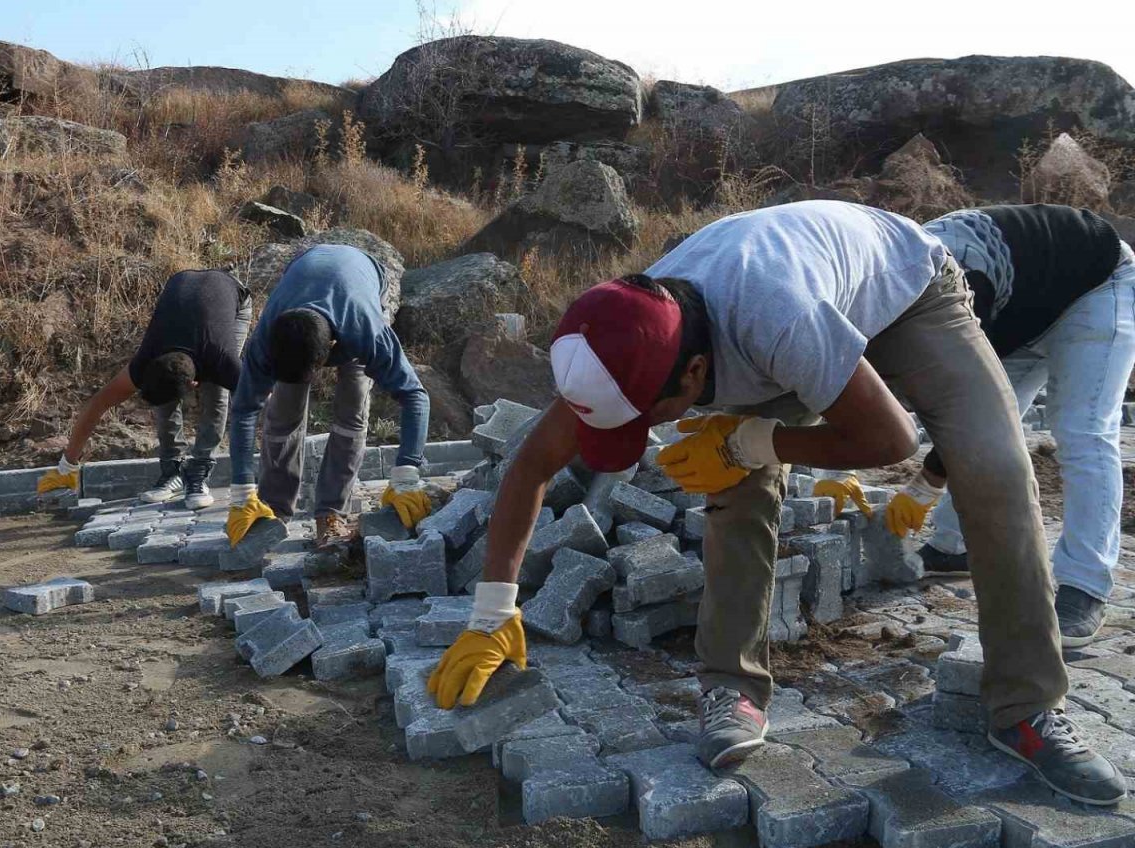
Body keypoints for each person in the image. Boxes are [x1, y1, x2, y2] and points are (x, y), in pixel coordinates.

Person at [426, 200, 1126, 806]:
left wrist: (753, 440)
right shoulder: (622, 337)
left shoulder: (775, 319)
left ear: (695, 371)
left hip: (909, 288)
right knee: (730, 480)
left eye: (648, 416)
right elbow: (532, 464)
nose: (642, 433)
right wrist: (493, 610)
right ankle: (731, 689)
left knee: (995, 468)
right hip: (783, 309)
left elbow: (890, 438)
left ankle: (1028, 707)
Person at [881, 204, 1135, 649]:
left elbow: (964, 405)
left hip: (1096, 284)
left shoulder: (950, 293)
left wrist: (926, 484)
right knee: (985, 425)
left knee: (1083, 431)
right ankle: (953, 546)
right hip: (1023, 303)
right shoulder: (885, 287)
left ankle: (1085, 585)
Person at [224, 244, 432, 550]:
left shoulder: (366, 331)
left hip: (362, 281)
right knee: (283, 412)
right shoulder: (267, 338)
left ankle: (331, 513)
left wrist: (406, 474)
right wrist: (242, 491)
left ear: (334, 347)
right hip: (305, 274)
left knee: (352, 408)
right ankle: (272, 510)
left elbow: (415, 396)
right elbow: (243, 411)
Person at [36, 269, 252, 509]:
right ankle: (172, 470)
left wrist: (252, 487)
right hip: (185, 291)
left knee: (217, 391)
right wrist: (67, 467)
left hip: (232, 297)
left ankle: (199, 471)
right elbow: (97, 404)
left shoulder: (222, 360)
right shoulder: (145, 360)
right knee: (166, 391)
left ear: (193, 385)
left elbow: (263, 403)